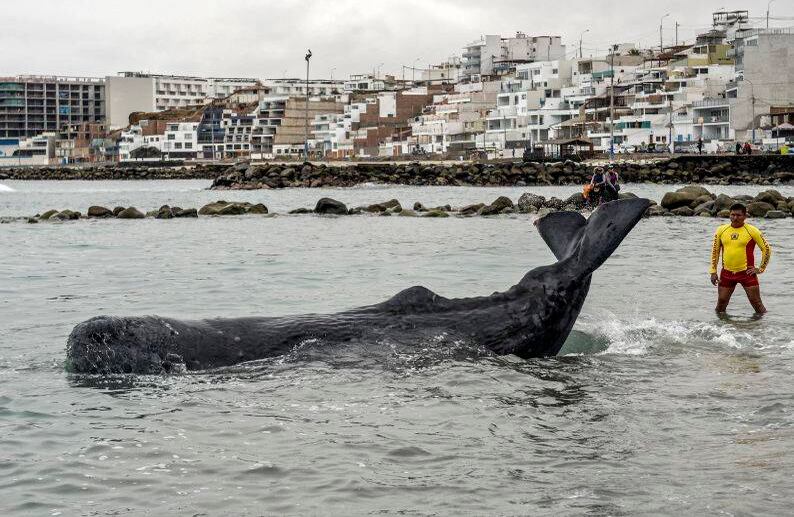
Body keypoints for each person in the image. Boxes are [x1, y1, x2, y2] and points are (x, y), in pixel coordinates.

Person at [709, 203, 772, 315]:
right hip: (727, 273)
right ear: (729, 215)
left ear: (745, 216)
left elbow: (766, 249)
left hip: (747, 273)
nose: (735, 218)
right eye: (732, 215)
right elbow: (715, 252)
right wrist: (713, 272)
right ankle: (719, 329)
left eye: (738, 215)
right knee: (721, 304)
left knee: (757, 304)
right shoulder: (721, 230)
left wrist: (760, 268)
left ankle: (763, 329)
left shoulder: (752, 231)